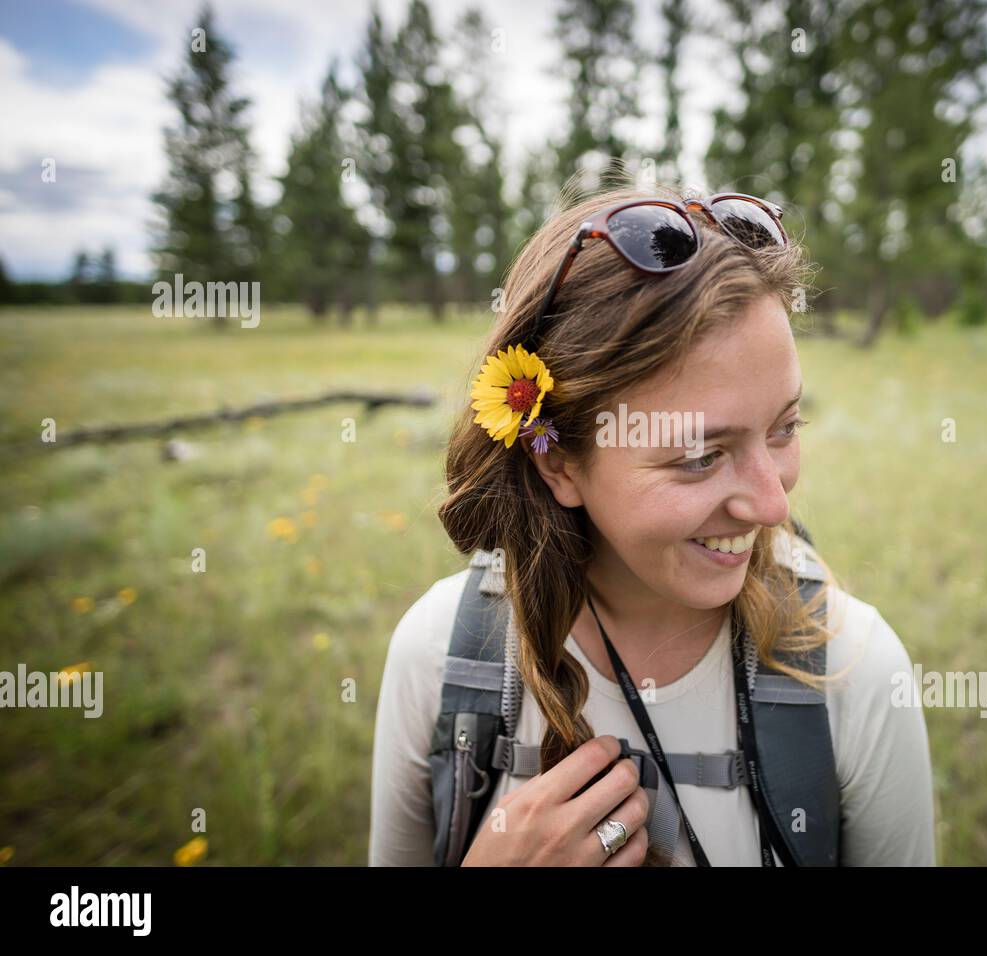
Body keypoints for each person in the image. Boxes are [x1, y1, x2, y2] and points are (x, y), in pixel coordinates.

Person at [369, 180, 936, 867]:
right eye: (700, 456)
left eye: (785, 427)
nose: (773, 506)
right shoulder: (442, 660)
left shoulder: (854, 674)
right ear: (559, 464)